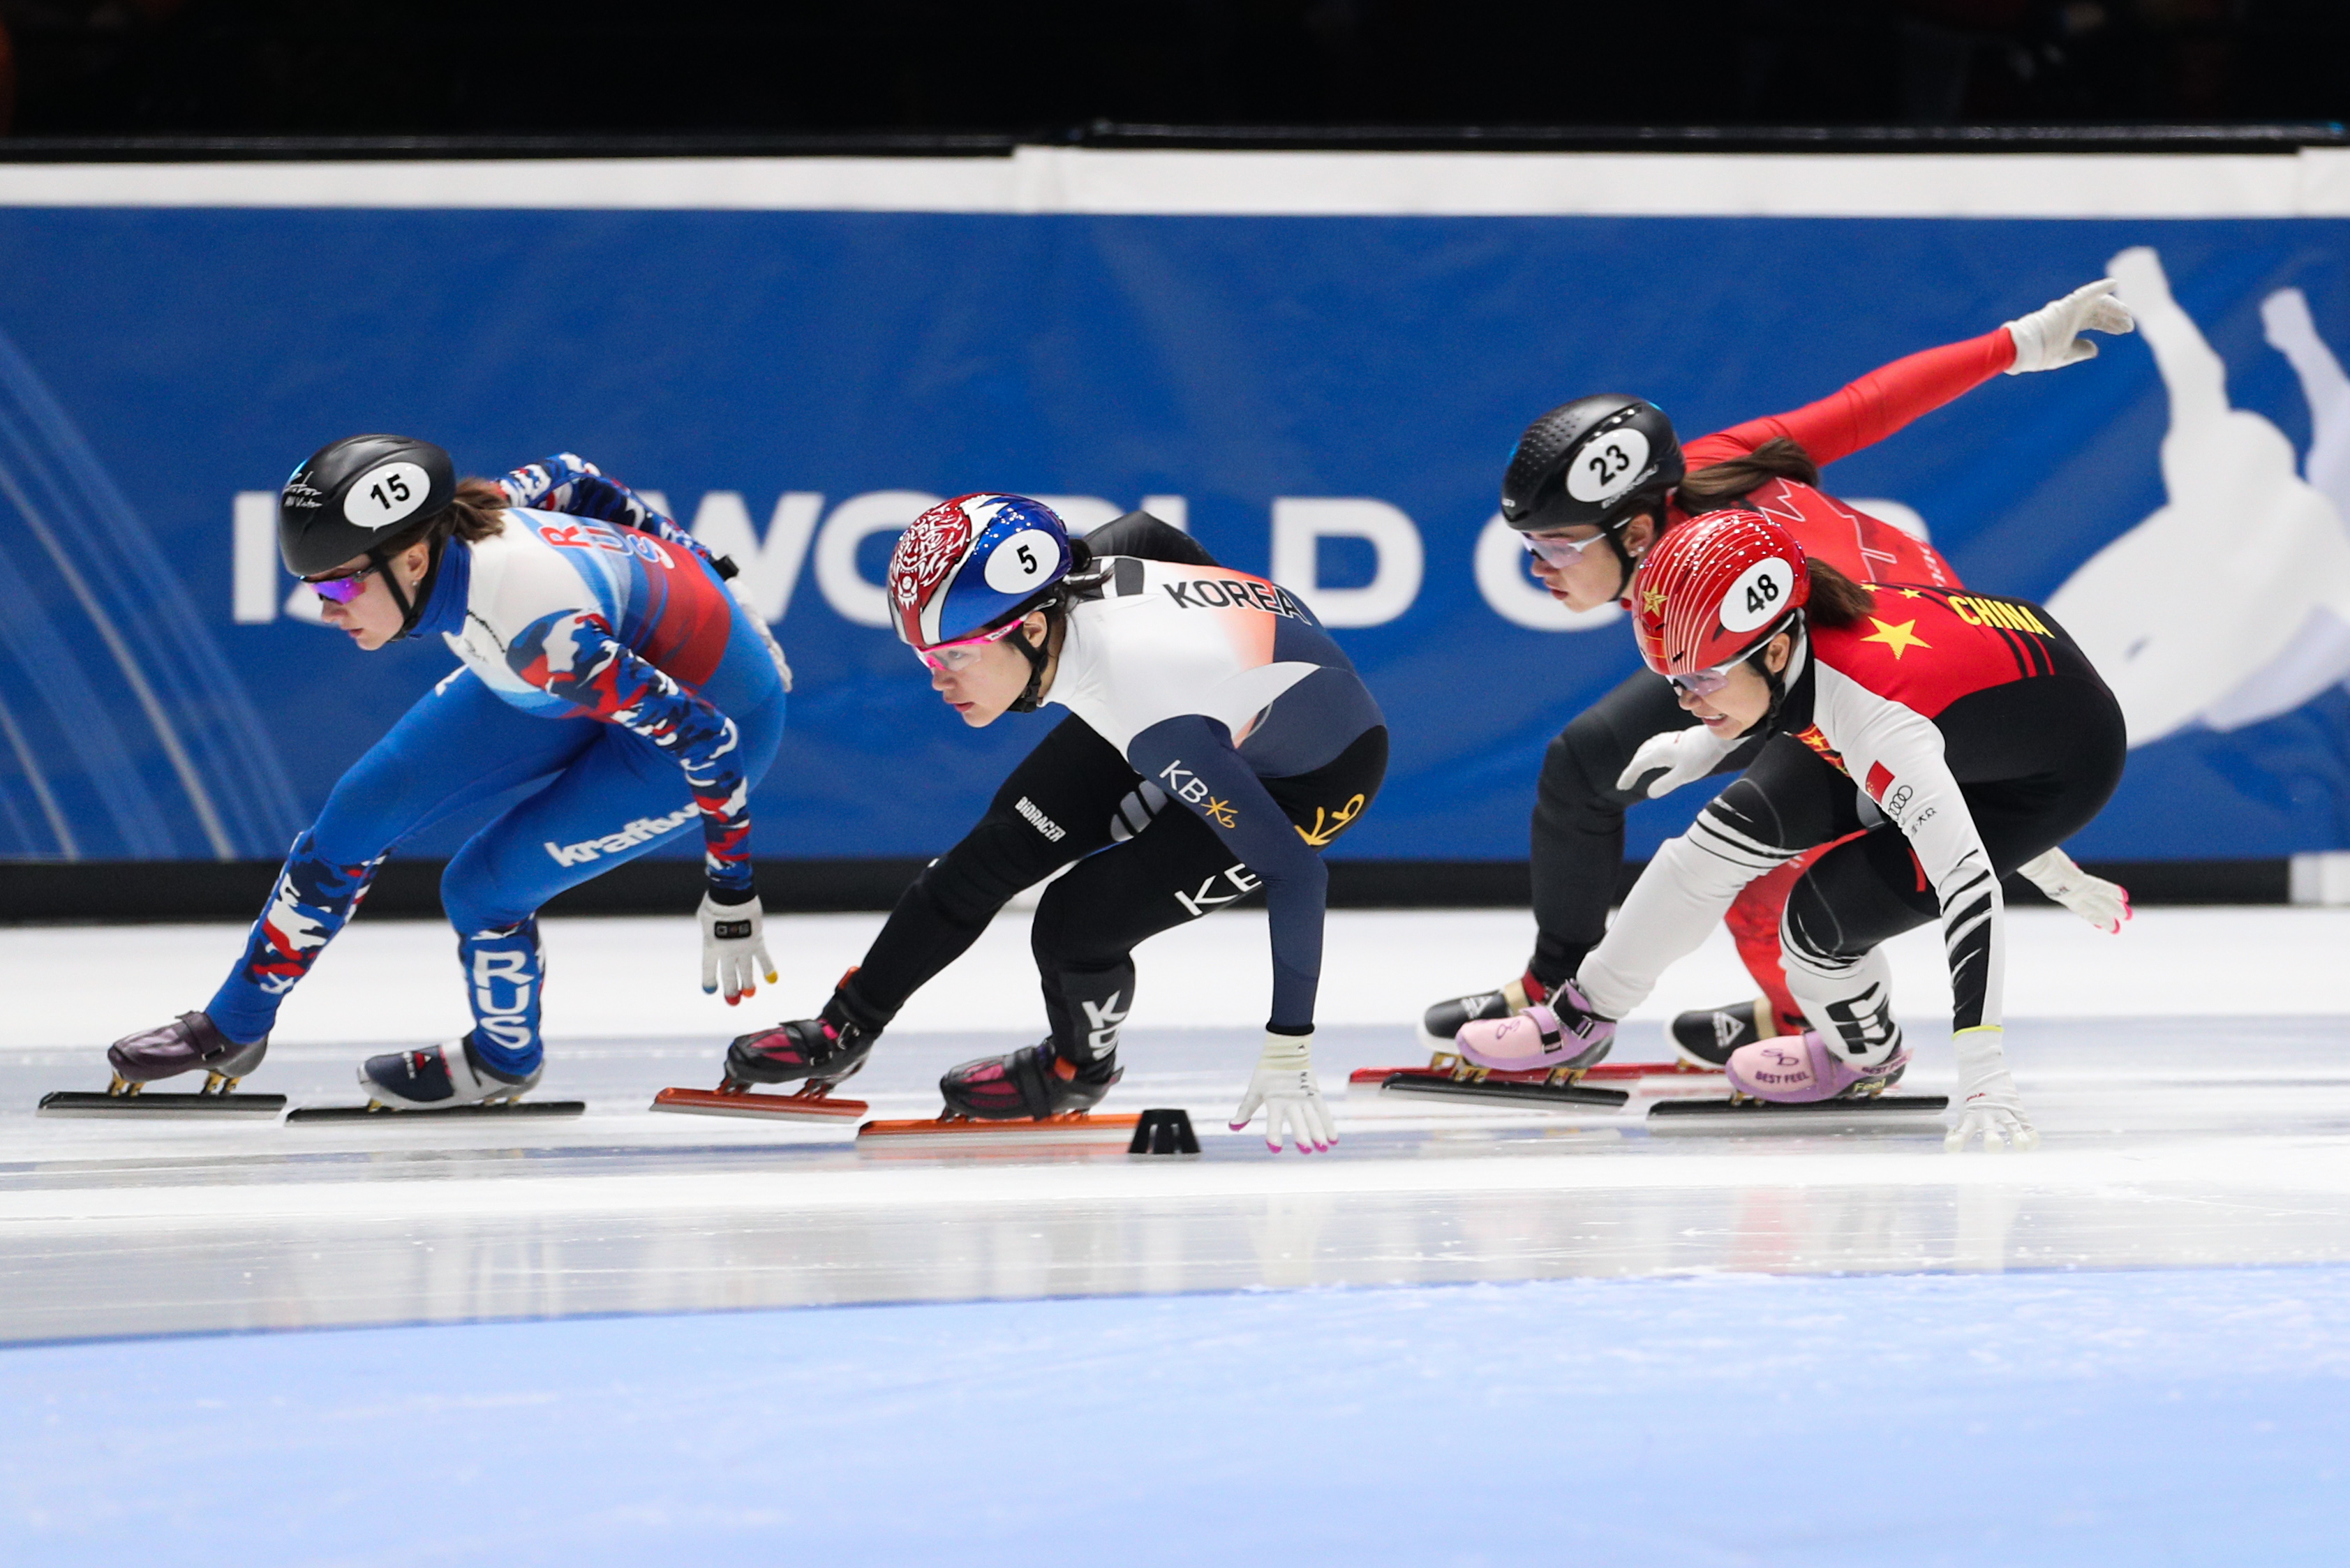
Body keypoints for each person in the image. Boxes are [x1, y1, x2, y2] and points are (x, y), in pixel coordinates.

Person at [1422, 279, 2137, 1063]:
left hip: (1882, 651)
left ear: (1633, 533)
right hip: (1817, 643)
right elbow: (1865, 406)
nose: (1537, 569)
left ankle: (1815, 1026)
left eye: (1556, 546)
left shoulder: (1776, 600)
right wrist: (2019, 342)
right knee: (1589, 762)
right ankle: (1559, 992)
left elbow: (1933, 738)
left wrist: (2033, 849)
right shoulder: (1700, 470)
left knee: (1762, 867)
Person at [101, 442, 791, 1109]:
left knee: (480, 889)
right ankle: (233, 1025)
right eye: (313, 587)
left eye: (341, 583)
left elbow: (708, 739)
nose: (326, 608)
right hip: (586, 668)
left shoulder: (539, 635)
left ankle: (502, 1060)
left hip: (708, 719)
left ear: (413, 559)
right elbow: (577, 477)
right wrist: (720, 577)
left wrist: (731, 892)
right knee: (356, 815)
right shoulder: (478, 512)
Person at [720, 494, 1387, 1153]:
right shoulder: (1075, 576)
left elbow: (1296, 872)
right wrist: (1221, 685)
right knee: (988, 858)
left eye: (954, 655)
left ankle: (1076, 1073)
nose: (937, 681)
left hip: (1314, 776)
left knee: (1077, 923)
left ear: (1034, 630)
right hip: (1198, 716)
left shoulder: (1155, 711)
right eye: (925, 657)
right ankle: (845, 1028)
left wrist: (1288, 1045)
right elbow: (1149, 532)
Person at [1455, 508, 2127, 1151]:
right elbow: (1910, 719)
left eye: (1701, 680)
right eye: (1673, 682)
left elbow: (1969, 880)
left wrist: (1983, 1070)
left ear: (1775, 651)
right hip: (1984, 716)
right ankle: (1582, 1014)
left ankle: (1862, 1056)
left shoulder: (1874, 721)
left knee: (1814, 927)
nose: (1687, 700)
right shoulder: (1796, 640)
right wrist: (1704, 744)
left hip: (2050, 773)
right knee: (1716, 841)